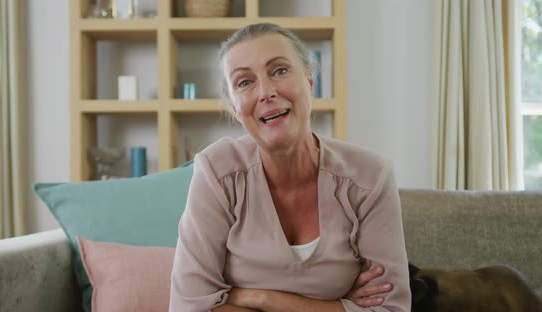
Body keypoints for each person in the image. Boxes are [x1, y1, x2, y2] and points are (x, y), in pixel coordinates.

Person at [169, 23, 411, 312]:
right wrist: (338, 307)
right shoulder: (216, 172)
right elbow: (188, 307)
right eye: (244, 82)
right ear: (235, 108)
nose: (266, 92)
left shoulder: (370, 177)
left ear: (310, 82)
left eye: (280, 70)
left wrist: (259, 298)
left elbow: (391, 309)